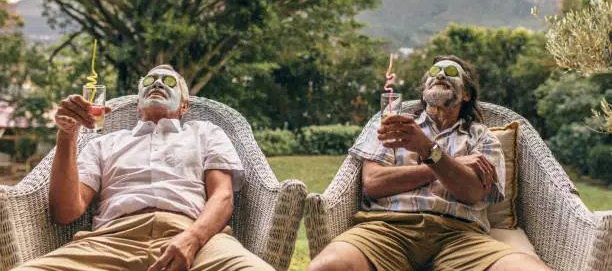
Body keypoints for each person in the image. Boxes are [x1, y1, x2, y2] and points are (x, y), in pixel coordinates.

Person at [15, 65, 274, 271]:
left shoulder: (206, 133)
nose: (158, 83)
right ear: (139, 104)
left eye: (169, 81)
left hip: (195, 236)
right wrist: (67, 135)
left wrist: (193, 238)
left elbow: (223, 196)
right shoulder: (104, 144)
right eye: (149, 82)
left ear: (184, 105)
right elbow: (66, 212)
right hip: (111, 241)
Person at [308, 56, 551, 271]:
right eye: (434, 73)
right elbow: (373, 183)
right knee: (326, 267)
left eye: (451, 72)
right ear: (424, 90)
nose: (441, 75)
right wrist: (449, 164)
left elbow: (473, 193)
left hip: (460, 236)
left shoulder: (482, 137)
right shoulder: (393, 125)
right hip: (386, 229)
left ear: (466, 94)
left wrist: (428, 150)